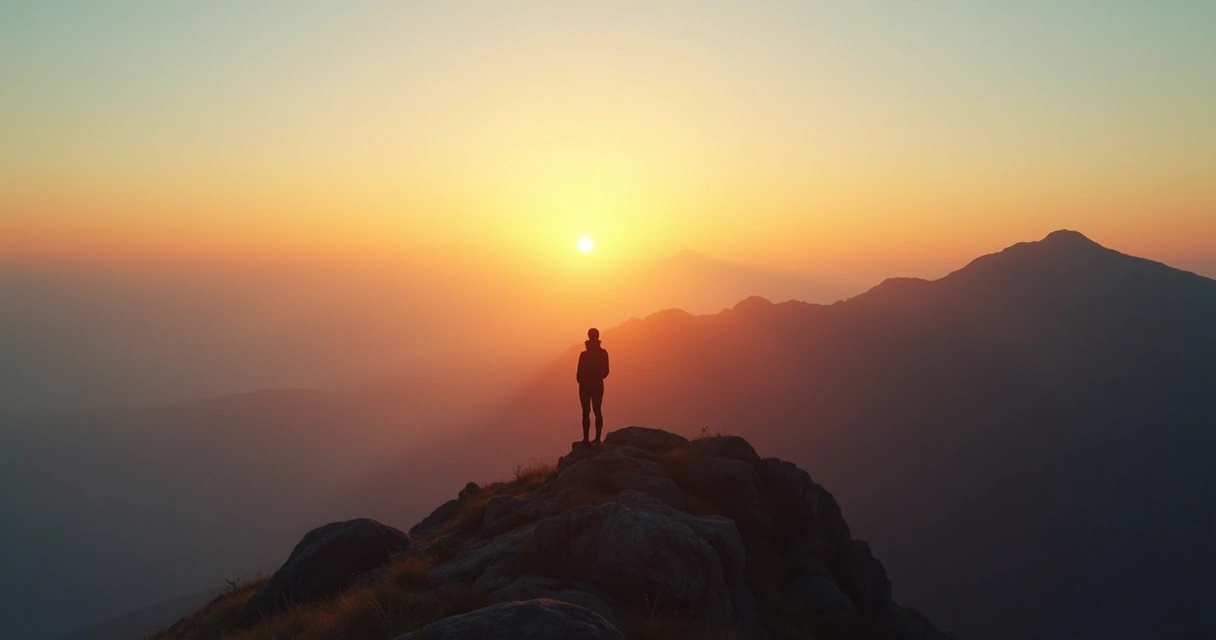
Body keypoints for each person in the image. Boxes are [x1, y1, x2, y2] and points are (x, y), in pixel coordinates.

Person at [576, 327, 610, 444]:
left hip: (585, 386)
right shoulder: (603, 353)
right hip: (597, 385)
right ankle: (597, 439)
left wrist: (583, 381)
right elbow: (606, 372)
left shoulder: (584, 355)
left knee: (586, 412)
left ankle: (586, 439)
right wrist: (597, 377)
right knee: (597, 411)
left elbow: (578, 373)